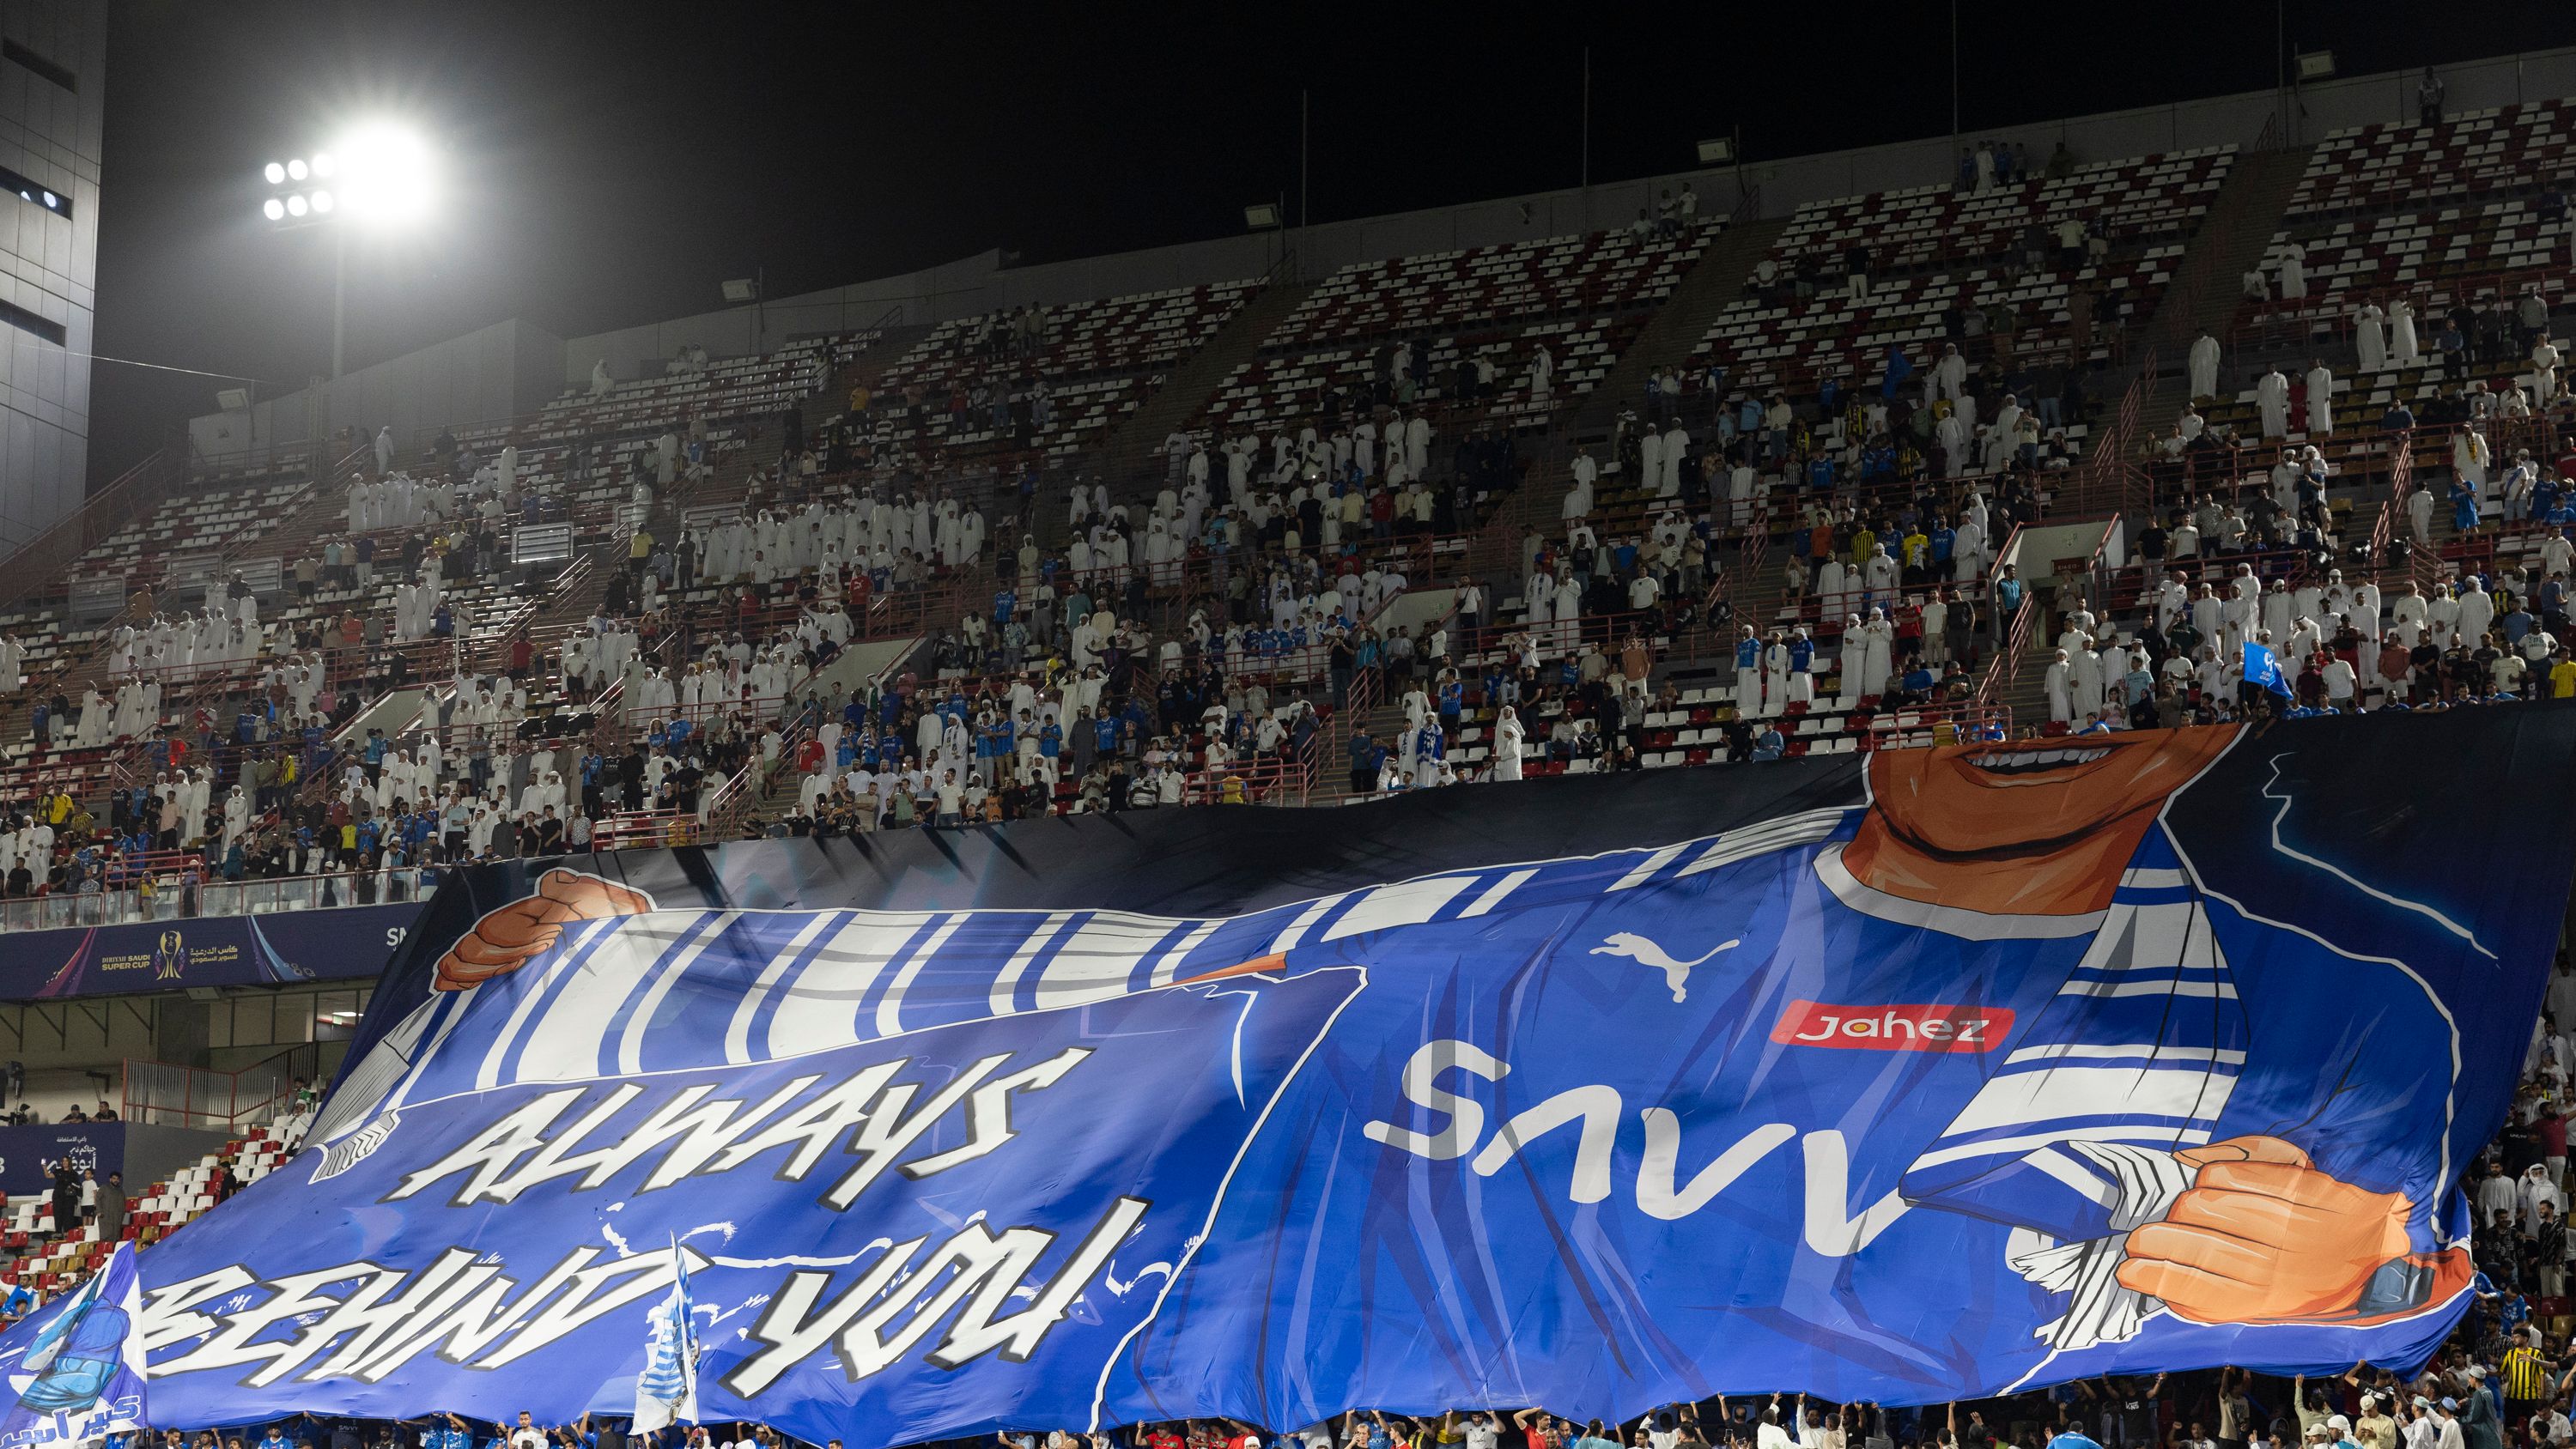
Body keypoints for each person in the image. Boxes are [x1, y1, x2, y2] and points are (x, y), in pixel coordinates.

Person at [2188, 328, 2221, 401]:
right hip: (2197, 367)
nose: (2199, 334)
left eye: (2200, 332)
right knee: (2198, 382)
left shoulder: (2211, 340)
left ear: (2204, 332)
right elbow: (2192, 356)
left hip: (2209, 366)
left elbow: (2217, 351)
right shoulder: (2196, 344)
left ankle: (2209, 396)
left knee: (2208, 382)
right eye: (2198, 333)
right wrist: (2192, 366)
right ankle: (2197, 397)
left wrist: (2215, 362)